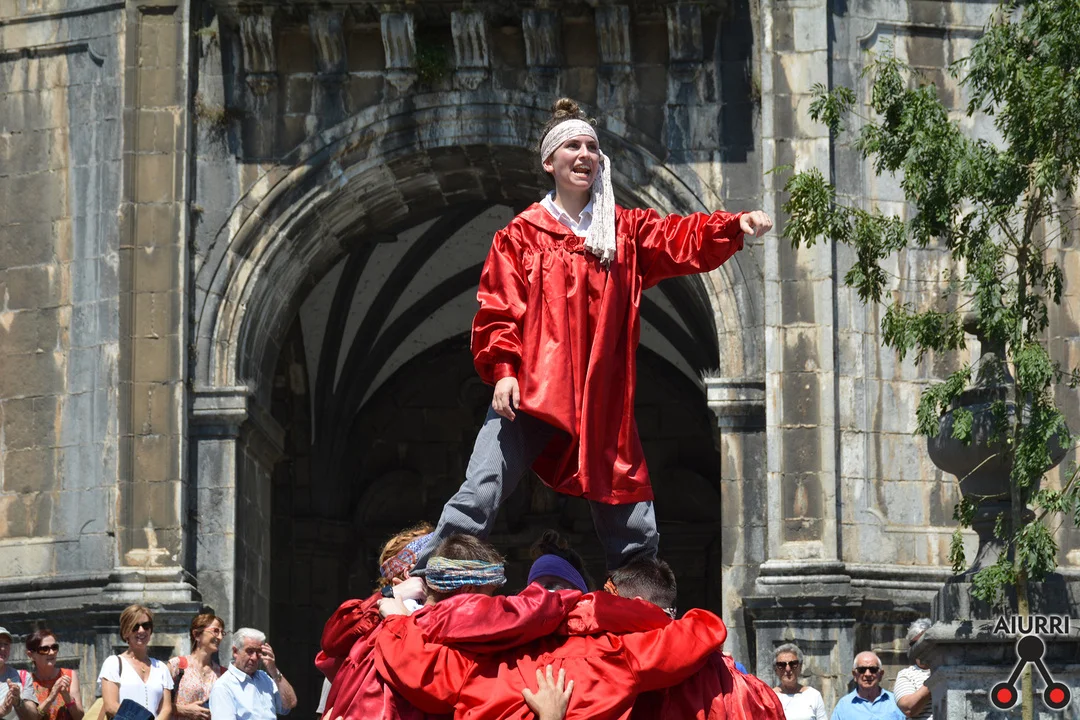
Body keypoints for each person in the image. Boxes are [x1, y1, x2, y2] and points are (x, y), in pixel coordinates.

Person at [417, 98, 773, 573]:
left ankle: (644, 594)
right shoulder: (522, 235)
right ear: (550, 161)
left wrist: (731, 226)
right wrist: (504, 371)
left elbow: (678, 237)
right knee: (482, 486)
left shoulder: (622, 232)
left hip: (599, 393)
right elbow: (499, 306)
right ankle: (429, 574)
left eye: (591, 147)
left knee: (627, 503)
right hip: (534, 389)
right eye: (573, 146)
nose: (584, 154)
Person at [373, 557, 733, 719]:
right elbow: (703, 631)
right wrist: (631, 614)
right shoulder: (616, 654)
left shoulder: (476, 659)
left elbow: (416, 666)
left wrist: (398, 622)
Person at [99, 606, 173, 720]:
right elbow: (111, 706)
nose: (141, 630)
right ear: (125, 632)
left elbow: (166, 709)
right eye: (135, 627)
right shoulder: (113, 663)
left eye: (146, 625)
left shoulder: (161, 668)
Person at [208, 629, 296, 720]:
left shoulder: (264, 678)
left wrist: (274, 671)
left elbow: (290, 703)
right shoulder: (224, 687)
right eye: (250, 651)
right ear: (235, 651)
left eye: (258, 652)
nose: (254, 657)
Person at [167, 613, 226, 719]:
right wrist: (183, 710)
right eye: (215, 631)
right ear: (197, 634)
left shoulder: (222, 673)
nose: (220, 637)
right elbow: (157, 703)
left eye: (222, 633)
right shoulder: (177, 665)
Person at [25, 629, 84, 720]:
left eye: (54, 647)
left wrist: (66, 695)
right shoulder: (27, 681)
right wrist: (51, 697)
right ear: (31, 655)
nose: (52, 652)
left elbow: (79, 717)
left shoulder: (69, 675)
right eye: (44, 649)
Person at [831, 652, 904, 720]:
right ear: (854, 675)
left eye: (873, 669)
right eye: (862, 670)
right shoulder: (843, 706)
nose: (867, 674)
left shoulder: (896, 702)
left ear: (881, 674)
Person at [772, 643, 827, 720]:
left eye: (793, 664)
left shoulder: (813, 695)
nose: (788, 669)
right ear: (776, 669)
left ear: (800, 667)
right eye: (781, 665)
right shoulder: (768, 697)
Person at [893, 619, 932, 720]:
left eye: (923, 642)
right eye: (915, 643)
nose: (919, 647)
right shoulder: (906, 675)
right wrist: (935, 678)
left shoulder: (949, 667)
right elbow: (908, 709)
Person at [0, 627, 35, 720]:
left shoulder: (22, 676)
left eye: (6, 644)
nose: (3, 648)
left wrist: (19, 703)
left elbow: (33, 717)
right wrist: (1, 711)